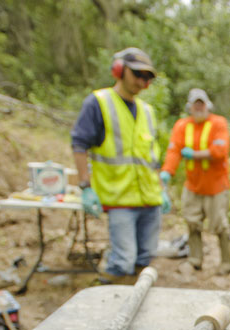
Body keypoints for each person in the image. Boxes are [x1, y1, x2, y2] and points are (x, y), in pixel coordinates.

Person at [71, 47, 170, 282]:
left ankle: (135, 296)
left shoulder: (147, 111)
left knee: (145, 257)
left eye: (147, 77)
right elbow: (79, 144)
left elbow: (151, 157)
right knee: (123, 259)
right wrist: (85, 186)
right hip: (120, 199)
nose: (142, 82)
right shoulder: (99, 102)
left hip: (150, 198)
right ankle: (107, 297)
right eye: (138, 74)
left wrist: (161, 189)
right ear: (119, 70)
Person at [160, 88, 230, 274]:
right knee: (192, 222)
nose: (199, 107)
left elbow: (220, 151)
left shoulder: (218, 123)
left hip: (216, 186)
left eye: (201, 103)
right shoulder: (182, 126)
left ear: (207, 105)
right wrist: (168, 171)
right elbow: (174, 150)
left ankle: (226, 263)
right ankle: (195, 259)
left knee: (219, 225)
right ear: (190, 107)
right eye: (195, 104)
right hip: (193, 185)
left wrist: (195, 155)